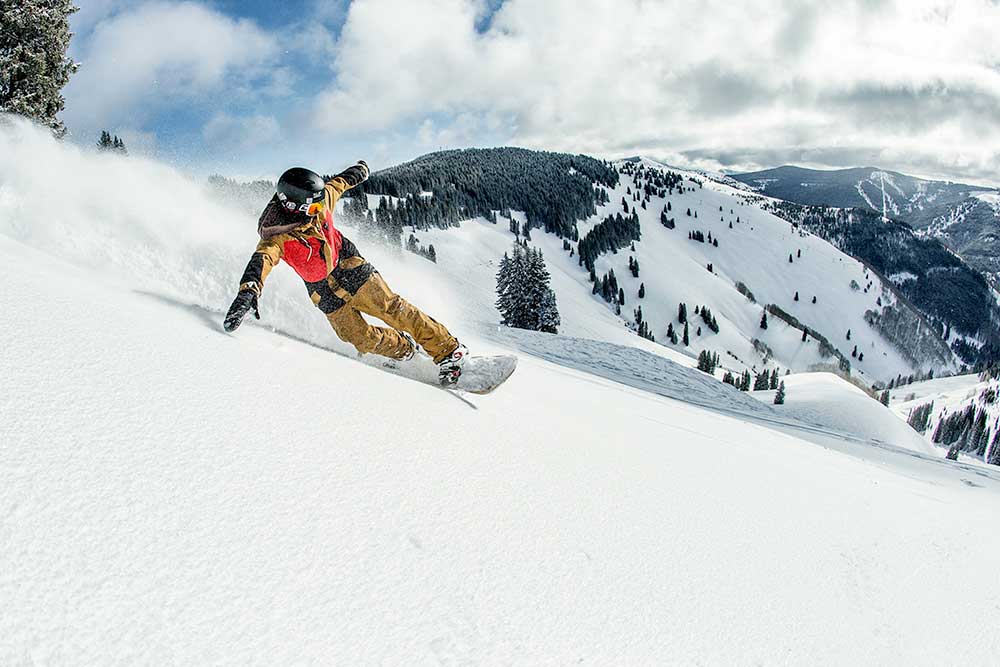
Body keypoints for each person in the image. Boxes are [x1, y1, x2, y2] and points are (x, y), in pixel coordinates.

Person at [223, 162, 468, 385]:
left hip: (349, 266)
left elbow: (336, 185)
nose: (321, 209)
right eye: (315, 206)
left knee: (390, 308)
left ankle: (449, 351)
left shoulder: (319, 200)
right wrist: (248, 293)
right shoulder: (276, 237)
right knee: (356, 337)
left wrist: (358, 171)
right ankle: (404, 349)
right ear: (295, 207)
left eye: (321, 202)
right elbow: (261, 261)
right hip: (321, 288)